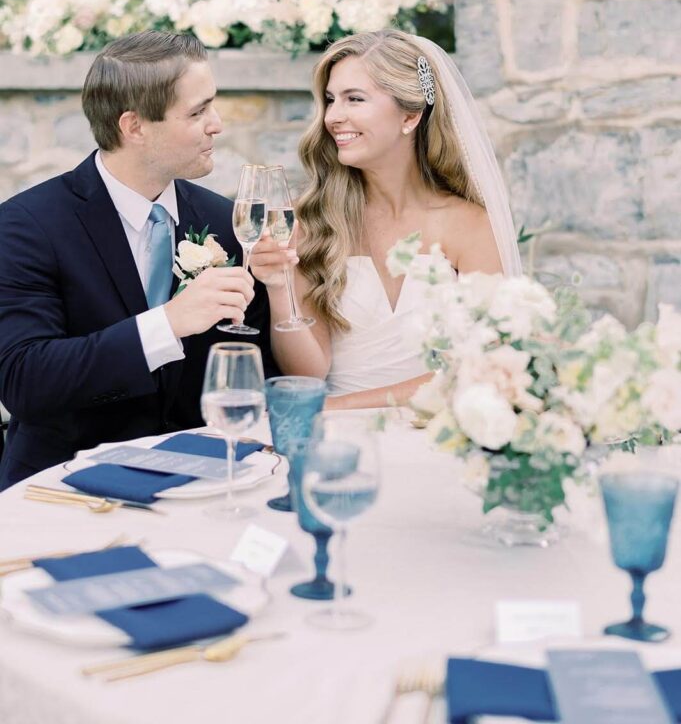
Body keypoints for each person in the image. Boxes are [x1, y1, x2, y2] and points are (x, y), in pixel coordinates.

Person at [0, 30, 277, 489]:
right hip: (66, 488)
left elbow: (258, 370)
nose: (218, 124)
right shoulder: (26, 225)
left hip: (205, 484)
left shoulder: (226, 222)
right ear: (134, 127)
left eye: (213, 104)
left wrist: (283, 288)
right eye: (197, 111)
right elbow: (25, 381)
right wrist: (167, 324)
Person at [251, 29, 521, 410]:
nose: (333, 117)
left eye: (354, 99)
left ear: (410, 115)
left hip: (440, 435)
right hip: (337, 445)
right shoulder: (311, 221)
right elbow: (308, 374)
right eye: (330, 100)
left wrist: (337, 408)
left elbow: (484, 366)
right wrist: (279, 290)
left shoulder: (470, 225)